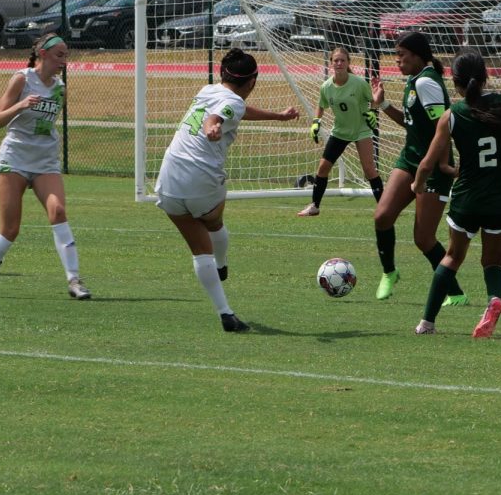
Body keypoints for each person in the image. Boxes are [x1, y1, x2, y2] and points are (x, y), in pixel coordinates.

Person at [155, 48, 299, 332]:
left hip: (168, 177)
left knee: (199, 248)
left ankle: (225, 313)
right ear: (253, 81)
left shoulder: (208, 89)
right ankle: (221, 264)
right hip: (201, 178)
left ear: (222, 74)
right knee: (213, 221)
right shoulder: (232, 103)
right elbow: (219, 117)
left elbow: (232, 110)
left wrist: (278, 117)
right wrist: (212, 128)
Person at [411, 48, 501, 337]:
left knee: (452, 257)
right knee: (493, 262)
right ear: (486, 76)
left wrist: (417, 184)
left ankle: (427, 323)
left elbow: (428, 162)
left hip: (467, 197)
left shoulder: (452, 116)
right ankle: (494, 300)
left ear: (455, 82)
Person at [0, 33, 90, 300]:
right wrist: (22, 105)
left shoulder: (60, 88)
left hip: (45, 160)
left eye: (66, 55)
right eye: (60, 54)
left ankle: (74, 280)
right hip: (14, 159)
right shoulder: (22, 79)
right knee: (10, 229)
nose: (64, 60)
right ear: (43, 54)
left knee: (58, 211)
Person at [370, 30, 467, 303]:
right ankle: (389, 272)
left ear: (417, 55)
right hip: (410, 159)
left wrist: (444, 164)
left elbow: (444, 126)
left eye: (401, 55)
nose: (397, 61)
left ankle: (455, 293)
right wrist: (384, 104)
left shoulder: (426, 83)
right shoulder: (414, 80)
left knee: (423, 238)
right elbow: (412, 124)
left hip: (434, 167)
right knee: (382, 217)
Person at [296, 46, 386, 216]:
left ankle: (384, 207)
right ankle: (314, 206)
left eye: (342, 60)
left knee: (369, 169)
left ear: (348, 63)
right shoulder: (326, 86)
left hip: (361, 131)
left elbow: (373, 100)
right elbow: (321, 105)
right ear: (331, 63)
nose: (339, 63)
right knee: (323, 168)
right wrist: (316, 122)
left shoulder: (359, 83)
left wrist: (373, 112)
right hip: (340, 131)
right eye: (335, 60)